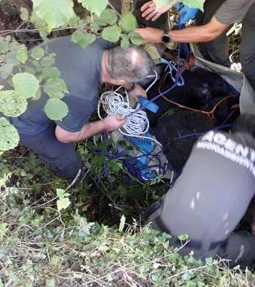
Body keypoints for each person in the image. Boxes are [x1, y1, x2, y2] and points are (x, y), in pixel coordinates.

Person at [10, 37, 153, 181]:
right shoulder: (84, 96)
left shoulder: (96, 41)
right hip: (15, 112)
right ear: (120, 81)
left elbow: (118, 64)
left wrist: (133, 87)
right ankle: (78, 181)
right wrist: (105, 124)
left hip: (12, 77)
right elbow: (65, 136)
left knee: (65, 111)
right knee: (65, 158)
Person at [147, 114, 255, 268]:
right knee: (249, 245)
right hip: (191, 250)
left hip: (155, 226)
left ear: (230, 132)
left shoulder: (208, 138)